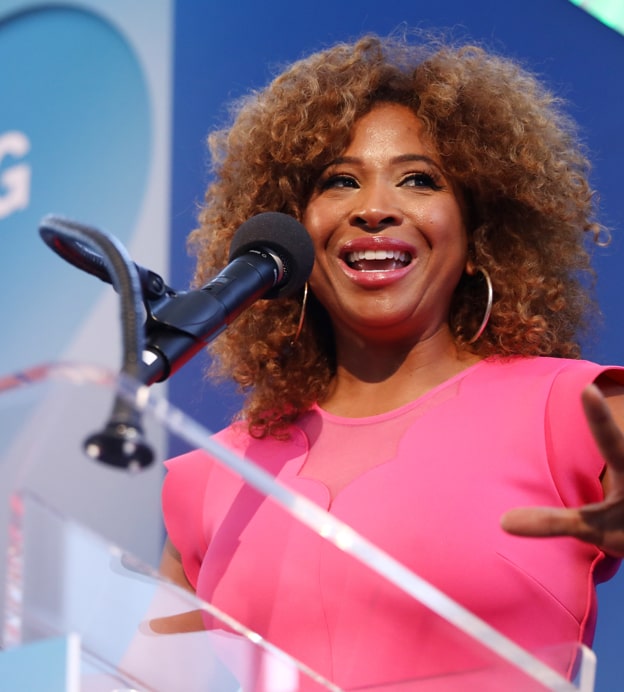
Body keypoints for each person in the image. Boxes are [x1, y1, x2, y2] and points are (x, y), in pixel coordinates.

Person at [159, 31, 624, 689]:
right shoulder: (211, 482)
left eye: (418, 179)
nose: (374, 209)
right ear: (292, 231)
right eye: (339, 181)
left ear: (477, 234)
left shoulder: (580, 413)